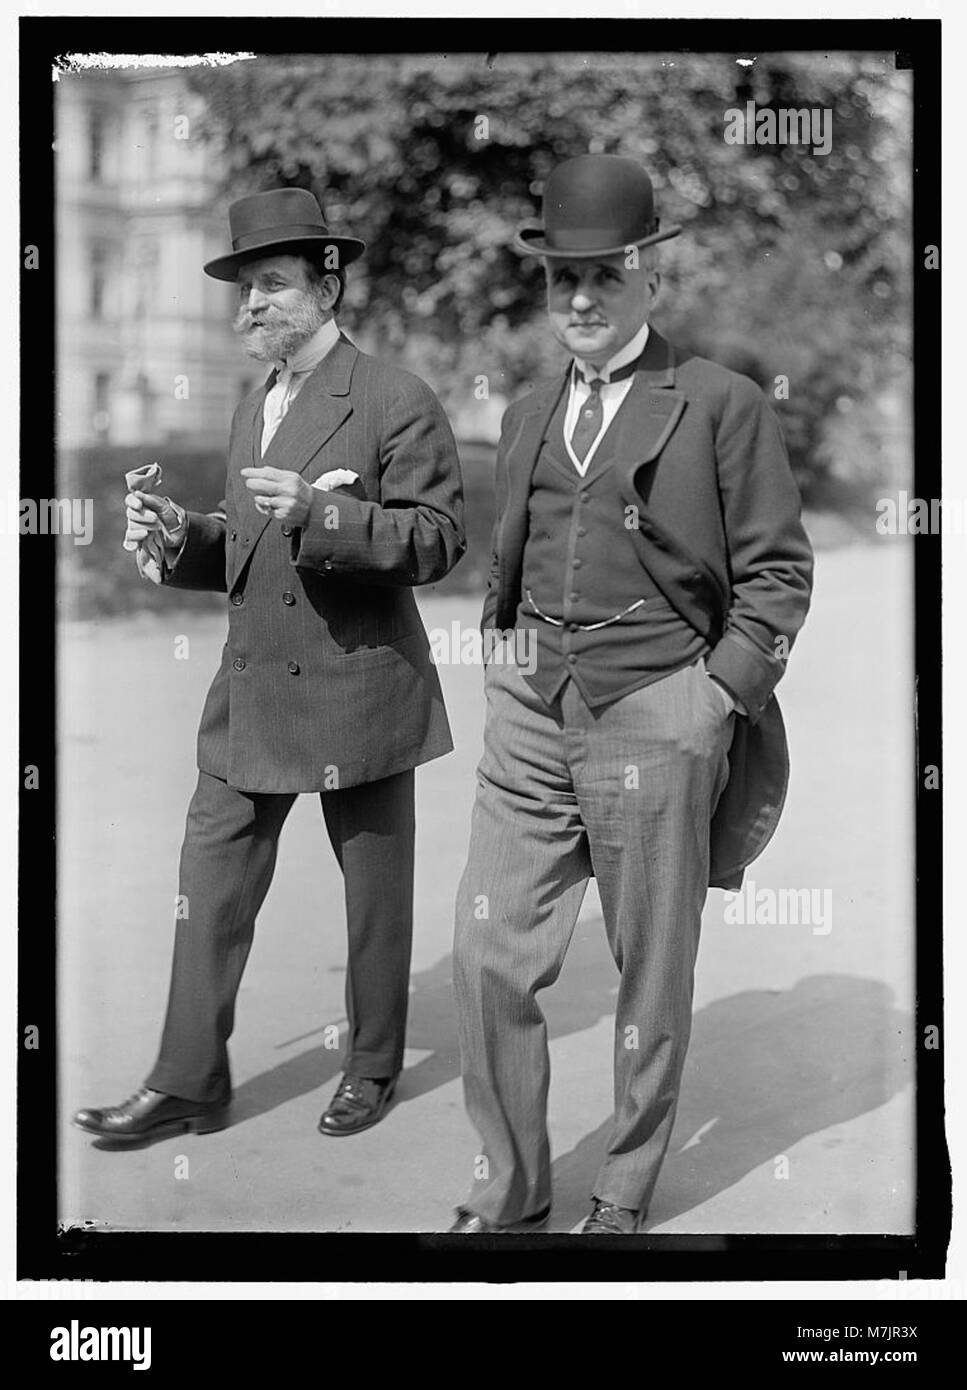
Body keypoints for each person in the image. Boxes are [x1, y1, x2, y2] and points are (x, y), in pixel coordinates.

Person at [449, 154, 814, 1233]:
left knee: (647, 970)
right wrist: (502, 656)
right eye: (562, 278)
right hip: (529, 711)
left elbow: (778, 575)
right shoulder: (524, 412)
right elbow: (509, 556)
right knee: (485, 947)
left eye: (603, 276)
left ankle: (622, 1184)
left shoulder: (718, 404)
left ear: (649, 275)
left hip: (659, 702)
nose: (579, 299)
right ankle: (511, 1184)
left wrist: (714, 695)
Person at [74, 187, 465, 1144]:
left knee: (373, 900)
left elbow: (440, 538)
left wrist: (325, 515)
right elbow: (249, 547)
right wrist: (183, 539)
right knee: (209, 880)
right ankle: (188, 1079)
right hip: (253, 691)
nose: (251, 306)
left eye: (273, 286)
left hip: (361, 684)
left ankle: (371, 1067)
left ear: (329, 287)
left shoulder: (393, 398)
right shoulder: (259, 401)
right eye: (244, 289)